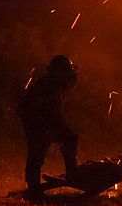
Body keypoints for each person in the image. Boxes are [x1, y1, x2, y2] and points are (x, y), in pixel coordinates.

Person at [17, 55, 80, 198]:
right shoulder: (49, 87)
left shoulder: (52, 85)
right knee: (37, 154)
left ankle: (71, 172)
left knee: (66, 139)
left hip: (41, 121)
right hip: (38, 122)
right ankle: (34, 188)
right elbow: (52, 113)